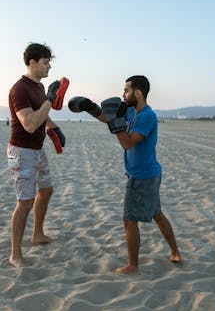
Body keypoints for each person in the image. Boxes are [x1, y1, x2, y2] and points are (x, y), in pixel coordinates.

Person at [68, 75, 181, 274]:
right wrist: (90, 107)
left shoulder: (147, 116)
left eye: (126, 90)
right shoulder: (131, 110)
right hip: (148, 172)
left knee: (129, 221)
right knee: (157, 214)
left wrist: (117, 125)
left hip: (143, 175)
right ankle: (175, 252)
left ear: (137, 93)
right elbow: (107, 117)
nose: (123, 94)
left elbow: (127, 142)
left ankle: (132, 266)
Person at [7, 43, 66, 267]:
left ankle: (37, 234)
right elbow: (30, 124)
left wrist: (53, 128)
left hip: (37, 150)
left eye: (49, 61)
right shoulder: (19, 89)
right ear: (32, 62)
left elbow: (40, 115)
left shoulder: (39, 88)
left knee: (47, 190)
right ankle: (15, 255)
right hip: (21, 151)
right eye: (45, 61)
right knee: (25, 202)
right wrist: (51, 99)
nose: (49, 66)